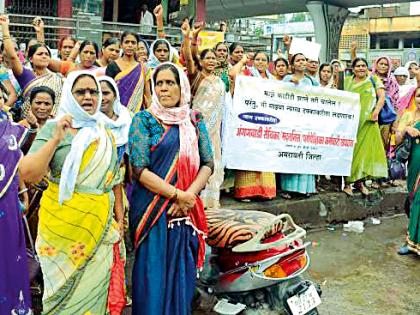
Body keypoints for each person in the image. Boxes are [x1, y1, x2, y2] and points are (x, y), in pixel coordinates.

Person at [20, 71, 125, 314]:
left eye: (94, 92)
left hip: (99, 227)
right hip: (61, 229)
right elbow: (28, 174)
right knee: (60, 298)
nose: (88, 97)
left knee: (94, 295)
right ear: (68, 94)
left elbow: (114, 181)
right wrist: (55, 139)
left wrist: (119, 222)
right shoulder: (55, 129)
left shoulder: (105, 132)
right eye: (81, 92)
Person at [128, 62, 213, 314]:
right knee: (152, 275)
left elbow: (208, 162)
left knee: (181, 275)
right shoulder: (144, 120)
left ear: (181, 86)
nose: (164, 88)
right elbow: (139, 170)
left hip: (185, 213)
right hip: (153, 212)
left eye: (170, 82)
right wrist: (178, 195)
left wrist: (189, 197)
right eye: (159, 83)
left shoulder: (194, 120)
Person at [182, 22, 225, 209]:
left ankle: (211, 202)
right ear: (201, 61)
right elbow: (189, 58)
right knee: (198, 160)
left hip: (214, 131)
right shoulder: (197, 76)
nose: (212, 61)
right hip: (198, 129)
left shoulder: (219, 79)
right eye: (207, 58)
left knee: (213, 161)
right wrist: (190, 37)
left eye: (214, 58)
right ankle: (195, 198)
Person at [0, 85, 32, 315]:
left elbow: (16, 165)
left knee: (9, 259)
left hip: (6, 206)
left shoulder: (11, 130)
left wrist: (23, 192)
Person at [231, 51, 277, 200]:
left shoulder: (273, 79)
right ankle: (246, 192)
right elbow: (233, 75)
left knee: (265, 156)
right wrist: (243, 61)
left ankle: (265, 191)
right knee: (248, 155)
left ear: (268, 62)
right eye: (257, 59)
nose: (260, 62)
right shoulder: (247, 74)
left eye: (264, 60)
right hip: (248, 121)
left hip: (267, 123)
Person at [0, 15, 63, 119]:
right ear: (31, 59)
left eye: (47, 54)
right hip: (28, 123)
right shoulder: (26, 75)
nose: (44, 56)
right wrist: (5, 29)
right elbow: (12, 57)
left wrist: (40, 32)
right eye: (40, 54)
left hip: (52, 123)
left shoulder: (56, 78)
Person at [343, 58, 388, 195]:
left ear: (367, 68)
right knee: (350, 151)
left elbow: (382, 97)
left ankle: (360, 182)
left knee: (364, 153)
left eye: (363, 66)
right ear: (353, 68)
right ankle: (347, 183)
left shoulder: (373, 79)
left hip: (368, 121)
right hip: (350, 123)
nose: (361, 68)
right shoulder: (347, 81)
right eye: (358, 66)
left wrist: (376, 112)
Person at [280, 53, 317, 198]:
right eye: (298, 60)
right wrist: (290, 85)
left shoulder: (312, 82)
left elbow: (323, 97)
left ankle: (305, 188)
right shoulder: (287, 79)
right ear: (293, 65)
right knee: (291, 152)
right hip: (291, 122)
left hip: (308, 123)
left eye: (304, 59)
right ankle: (288, 189)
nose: (302, 62)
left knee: (305, 153)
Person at [396, 83, 420, 255]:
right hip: (414, 164)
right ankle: (412, 241)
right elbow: (396, 139)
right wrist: (406, 129)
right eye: (419, 96)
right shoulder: (408, 116)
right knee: (413, 201)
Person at [106, 31, 151, 113]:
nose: (130, 45)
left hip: (137, 115)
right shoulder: (112, 66)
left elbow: (148, 96)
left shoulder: (143, 68)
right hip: (117, 113)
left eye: (133, 43)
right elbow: (107, 92)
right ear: (121, 45)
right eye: (127, 42)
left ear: (137, 46)